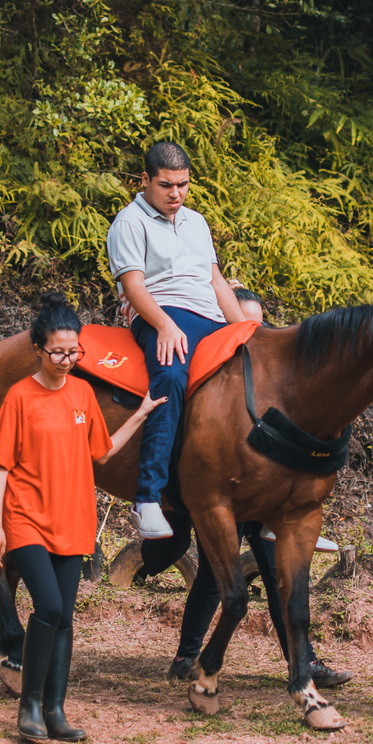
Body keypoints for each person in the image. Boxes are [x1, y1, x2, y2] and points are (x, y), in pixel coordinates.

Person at [0, 293, 166, 742]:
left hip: (73, 517)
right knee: (47, 607)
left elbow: (100, 451)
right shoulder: (19, 397)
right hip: (25, 517)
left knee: (64, 617)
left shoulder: (83, 392)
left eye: (74, 352)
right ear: (38, 349)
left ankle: (56, 710)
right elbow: (1, 463)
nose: (67, 360)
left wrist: (140, 414)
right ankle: (29, 707)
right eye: (58, 352)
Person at [168, 285, 351, 690]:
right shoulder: (224, 378)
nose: (252, 333)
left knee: (276, 573)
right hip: (231, 490)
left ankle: (302, 662)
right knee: (214, 576)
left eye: (259, 326)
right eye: (243, 324)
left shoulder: (282, 377)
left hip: (270, 493)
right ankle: (187, 655)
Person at [106, 142, 246, 540]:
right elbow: (133, 287)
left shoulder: (196, 222)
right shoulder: (129, 222)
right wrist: (165, 326)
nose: (176, 194)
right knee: (168, 380)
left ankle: (275, 505)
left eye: (183, 185)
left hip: (212, 316)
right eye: (166, 185)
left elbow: (215, 281)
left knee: (262, 380)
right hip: (161, 313)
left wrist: (249, 332)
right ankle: (147, 499)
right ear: (145, 180)